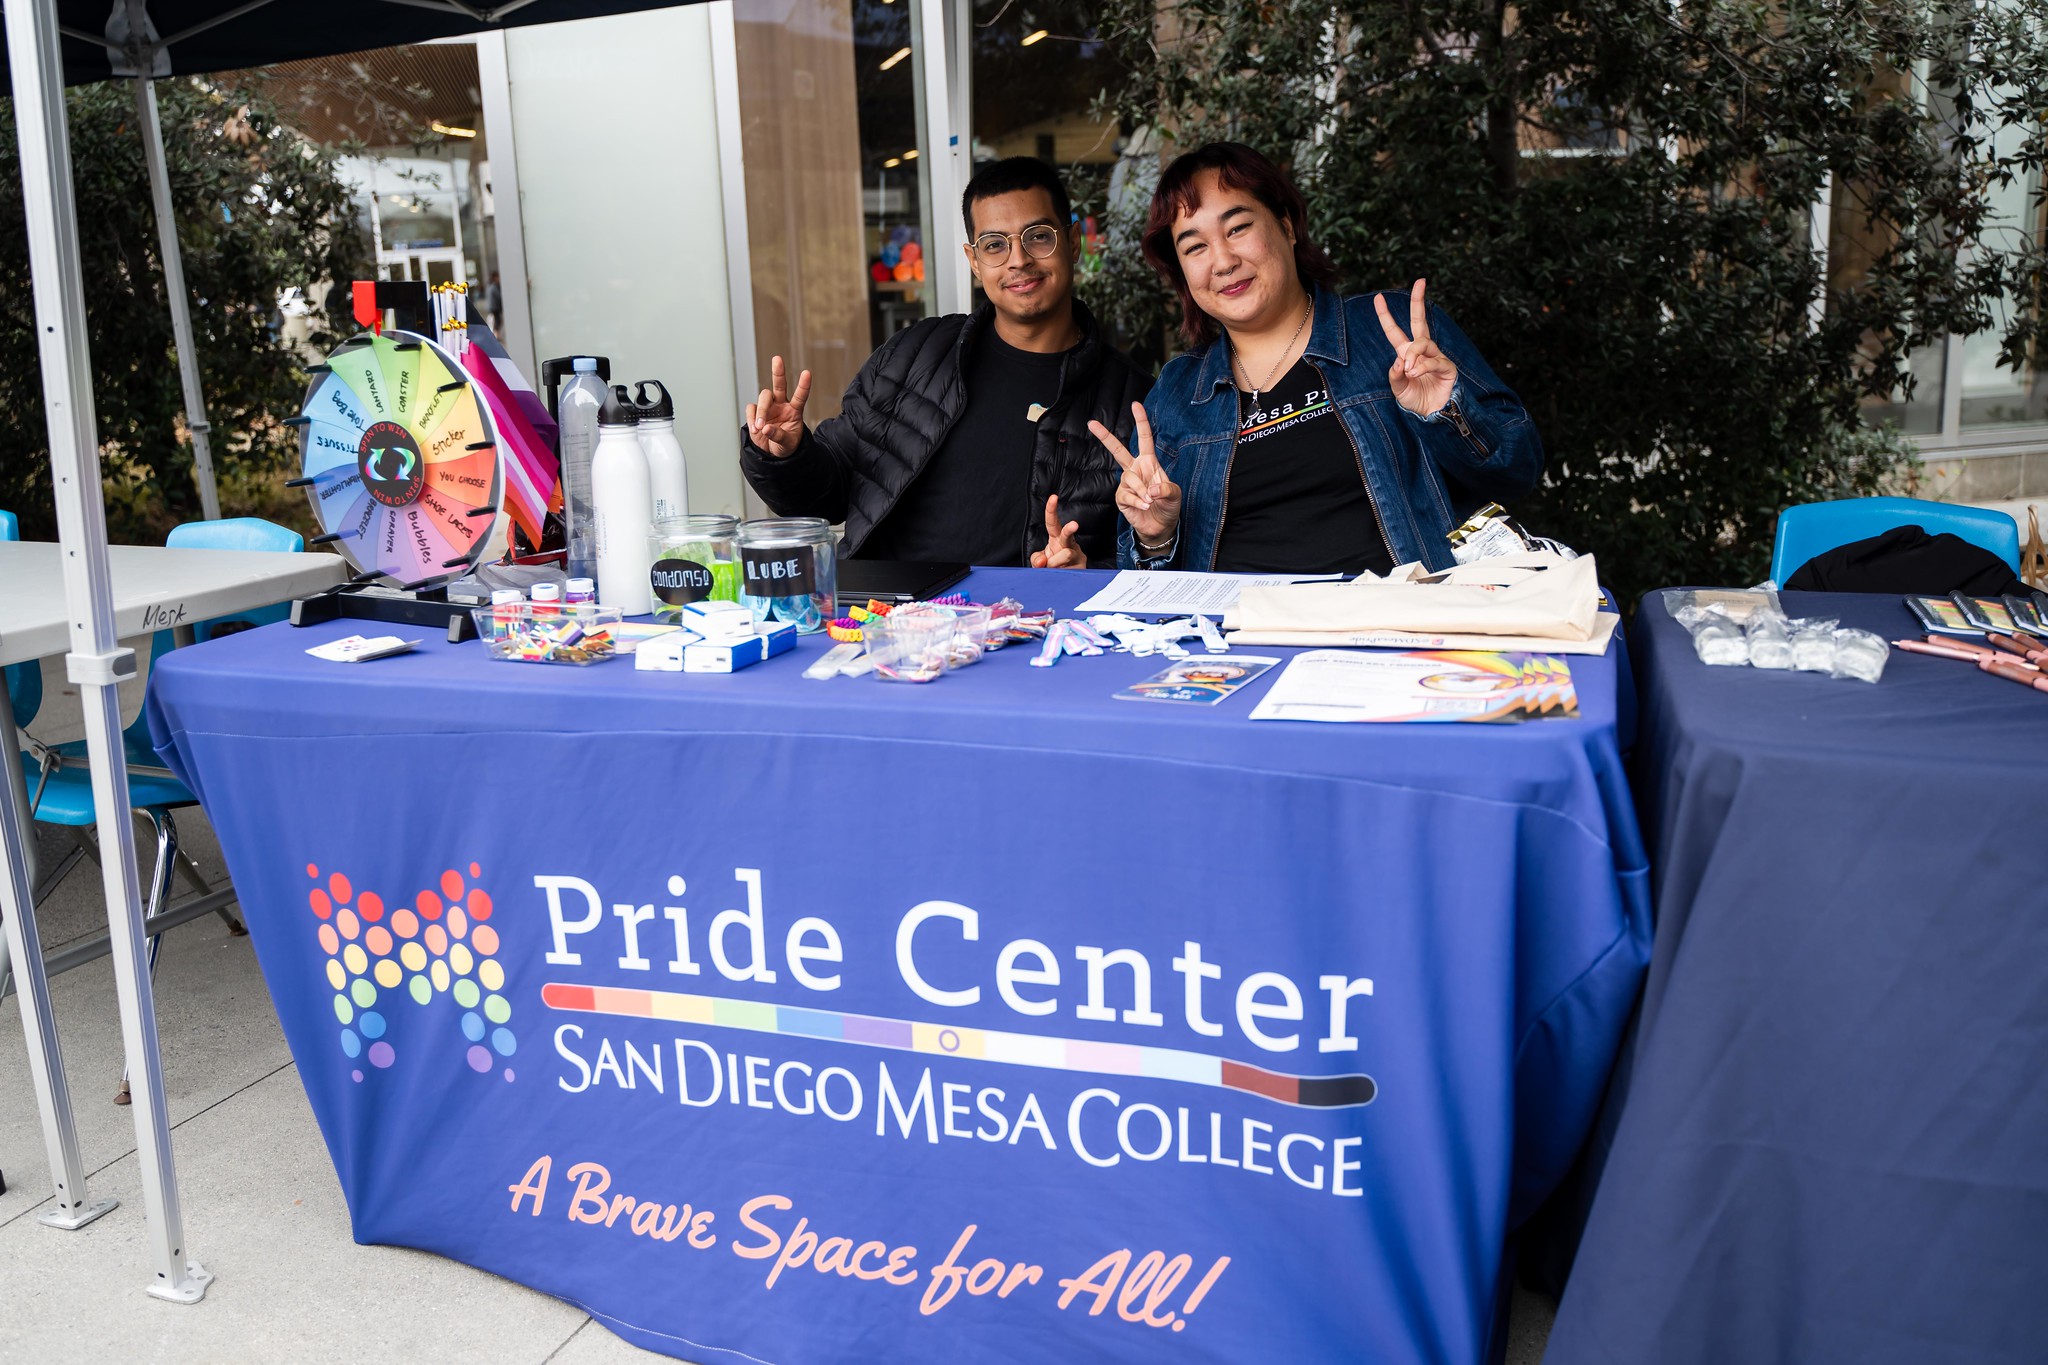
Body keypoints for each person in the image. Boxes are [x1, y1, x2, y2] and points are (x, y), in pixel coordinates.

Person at [1045, 142, 1541, 574]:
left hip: (1394, 629)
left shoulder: (1389, 331)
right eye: (1194, 247)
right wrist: (1156, 535)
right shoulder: (1177, 392)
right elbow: (1151, 584)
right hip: (1233, 643)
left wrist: (1443, 411)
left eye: (1237, 228)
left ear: (1286, 224)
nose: (1221, 261)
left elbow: (1516, 471)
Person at [742, 158, 1151, 568]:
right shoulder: (915, 354)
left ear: (1073, 241)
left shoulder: (1130, 398)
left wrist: (1087, 572)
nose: (1018, 260)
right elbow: (829, 497)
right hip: (889, 616)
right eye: (995, 245)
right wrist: (786, 455)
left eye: (1038, 237)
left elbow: (1153, 550)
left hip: (1024, 620)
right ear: (974, 261)